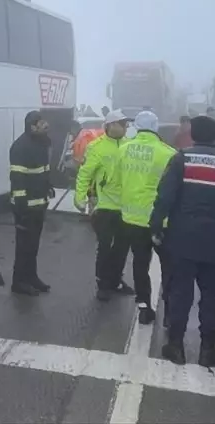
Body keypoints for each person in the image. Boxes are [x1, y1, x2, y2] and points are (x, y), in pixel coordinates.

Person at [151, 115, 215, 367]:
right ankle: (208, 350)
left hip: (182, 238)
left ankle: (175, 347)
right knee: (211, 295)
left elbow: (164, 197)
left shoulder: (181, 159)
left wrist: (156, 226)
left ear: (193, 135)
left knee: (180, 292)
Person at [110, 111, 177, 325]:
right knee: (169, 267)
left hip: (132, 219)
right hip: (161, 221)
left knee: (140, 265)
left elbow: (115, 182)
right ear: (156, 127)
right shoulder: (169, 153)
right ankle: (170, 312)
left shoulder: (123, 149)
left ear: (136, 127)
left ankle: (144, 308)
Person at [74, 109, 135, 299]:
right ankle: (103, 284)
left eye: (126, 124)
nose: (125, 127)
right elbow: (85, 174)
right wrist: (80, 197)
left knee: (122, 247)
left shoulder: (130, 145)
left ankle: (116, 280)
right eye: (122, 124)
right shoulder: (96, 147)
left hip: (125, 207)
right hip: (105, 206)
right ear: (110, 125)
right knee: (105, 246)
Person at [9, 110, 53, 296]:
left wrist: (48, 186)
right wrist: (22, 209)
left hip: (39, 204)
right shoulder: (20, 147)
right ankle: (19, 282)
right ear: (32, 126)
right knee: (24, 247)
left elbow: (43, 170)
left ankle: (31, 277)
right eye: (41, 123)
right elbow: (17, 179)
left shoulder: (41, 144)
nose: (45, 126)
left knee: (33, 245)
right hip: (25, 207)